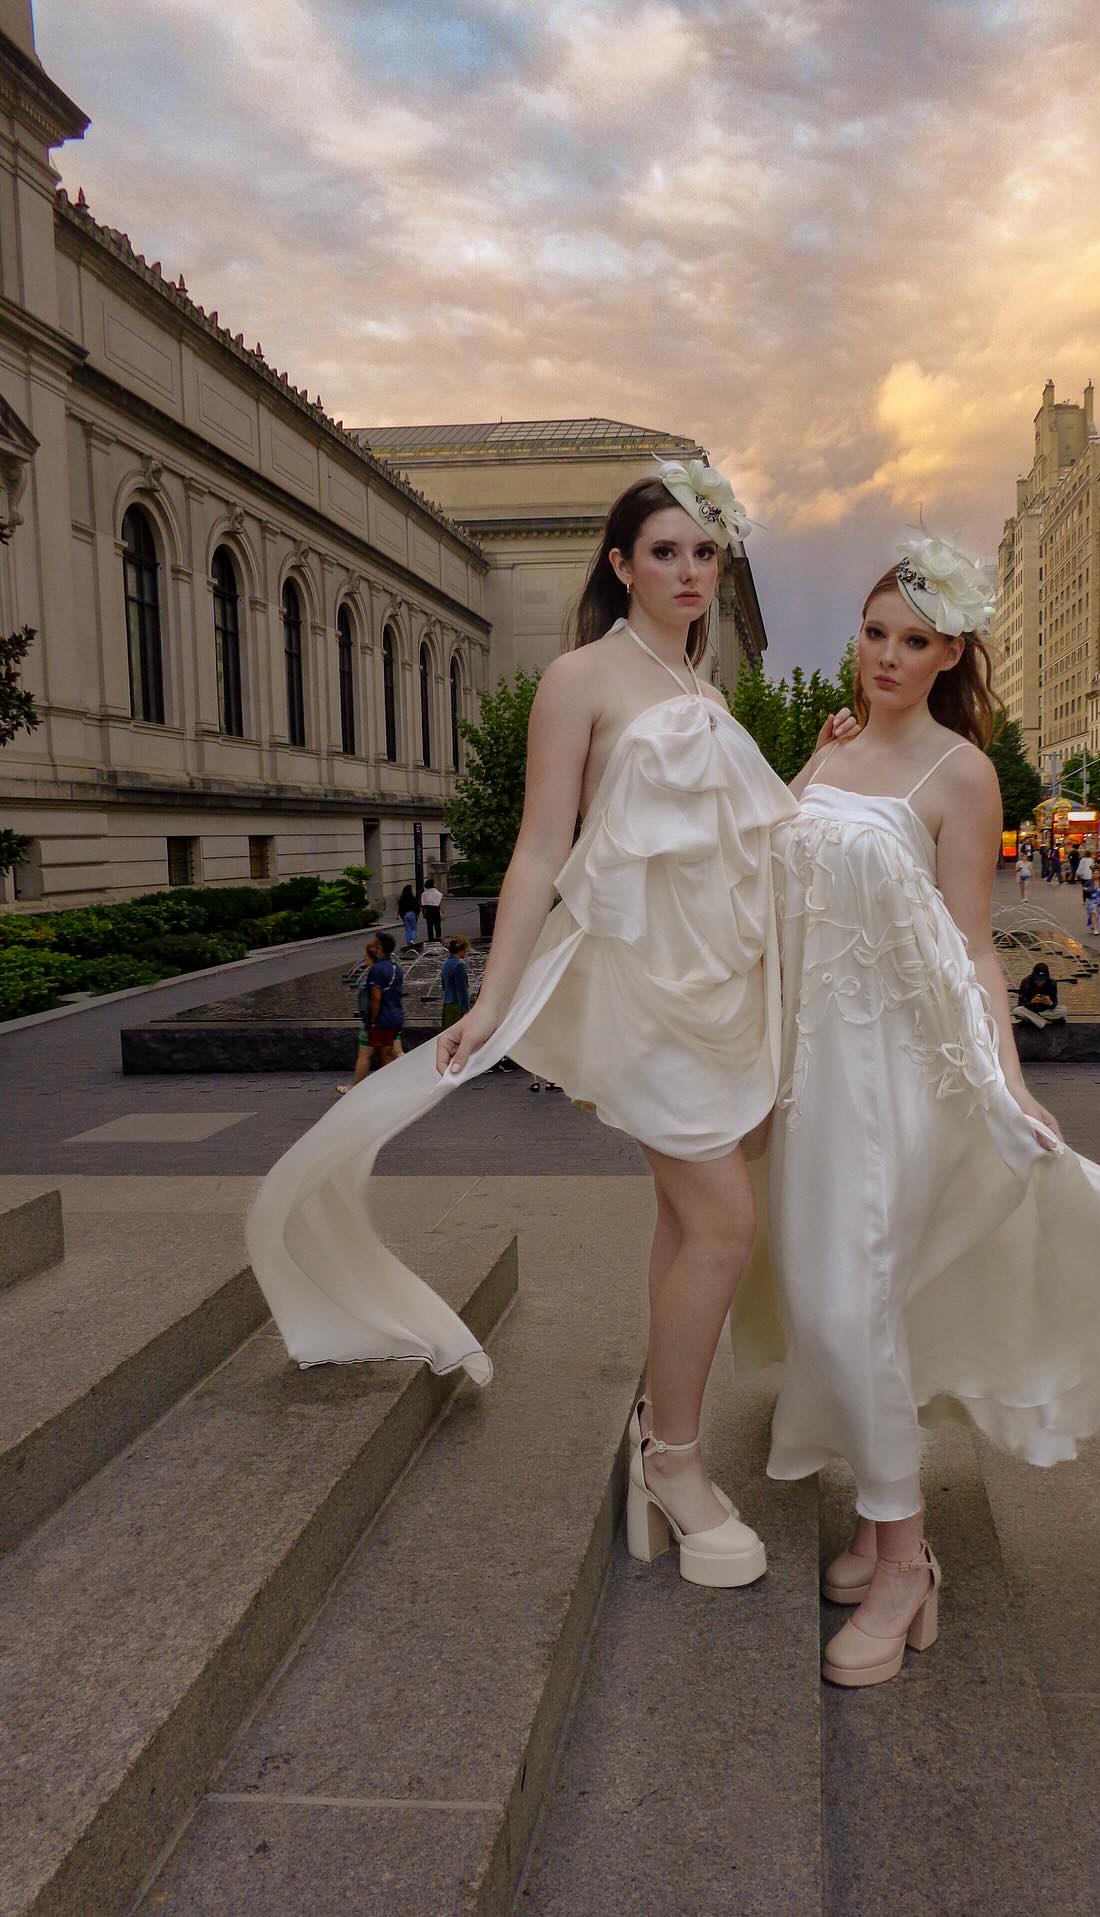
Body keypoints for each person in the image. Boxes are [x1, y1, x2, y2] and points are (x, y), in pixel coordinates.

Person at [246, 460, 857, 1594]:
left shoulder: (706, 694)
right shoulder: (579, 678)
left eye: (703, 553)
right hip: (643, 988)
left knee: (695, 1222)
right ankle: (673, 1461)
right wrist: (489, 995)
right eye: (663, 552)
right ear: (621, 566)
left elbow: (748, 835)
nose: (687, 572)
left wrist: (823, 761)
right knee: (723, 1221)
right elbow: (538, 847)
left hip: (726, 982)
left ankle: (655, 1429)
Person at [736, 534, 1100, 1689]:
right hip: (816, 1066)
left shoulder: (961, 773)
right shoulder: (824, 757)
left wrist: (1012, 1083)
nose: (885, 655)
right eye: (874, 632)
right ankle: (878, 1529)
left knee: (856, 1296)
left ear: (950, 653)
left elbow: (971, 940)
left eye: (913, 641)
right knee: (830, 1297)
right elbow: (770, 874)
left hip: (902, 1072)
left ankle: (908, 1558)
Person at [336, 935, 388, 1098]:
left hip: (374, 1023)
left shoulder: (371, 978)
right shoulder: (389, 971)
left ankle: (354, 1087)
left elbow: (372, 1002)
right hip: (390, 1020)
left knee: (365, 1055)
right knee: (392, 1054)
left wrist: (370, 1022)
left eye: (366, 956)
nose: (364, 958)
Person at [363, 929, 405, 1069]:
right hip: (397, 1015)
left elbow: (376, 998)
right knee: (389, 1053)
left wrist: (373, 1021)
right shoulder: (396, 968)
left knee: (384, 1058)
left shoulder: (377, 970)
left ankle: (392, 1087)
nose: (372, 948)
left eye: (375, 945)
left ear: (380, 948)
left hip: (384, 1019)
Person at [1014, 961, 1064, 1026]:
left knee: (1063, 1010)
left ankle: (1035, 1020)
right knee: (1017, 1010)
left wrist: (1049, 1003)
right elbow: (1020, 1003)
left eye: (1042, 980)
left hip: (1045, 1012)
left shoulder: (1052, 983)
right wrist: (1031, 1002)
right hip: (1030, 1011)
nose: (1039, 982)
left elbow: (1055, 1003)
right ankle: (1043, 1022)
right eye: (1037, 979)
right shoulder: (1026, 982)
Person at [439, 936, 471, 1030]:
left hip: (447, 1004)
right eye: (465, 949)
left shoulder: (446, 964)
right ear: (460, 950)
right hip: (456, 1006)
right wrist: (466, 1011)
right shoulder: (459, 965)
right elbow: (462, 990)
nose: (466, 951)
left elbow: (444, 986)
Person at [397, 883, 420, 952]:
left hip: (404, 915)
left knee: (407, 929)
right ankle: (412, 940)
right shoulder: (413, 898)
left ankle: (408, 942)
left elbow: (400, 908)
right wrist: (417, 913)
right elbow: (417, 907)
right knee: (413, 928)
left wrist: (400, 916)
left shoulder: (401, 899)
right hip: (412, 914)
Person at [420, 879, 444, 943]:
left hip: (428, 910)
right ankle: (438, 938)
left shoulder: (424, 894)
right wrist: (442, 913)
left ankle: (430, 939)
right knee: (437, 926)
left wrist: (424, 913)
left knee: (429, 926)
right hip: (436, 910)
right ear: (433, 884)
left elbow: (423, 905)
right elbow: (440, 904)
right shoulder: (438, 893)